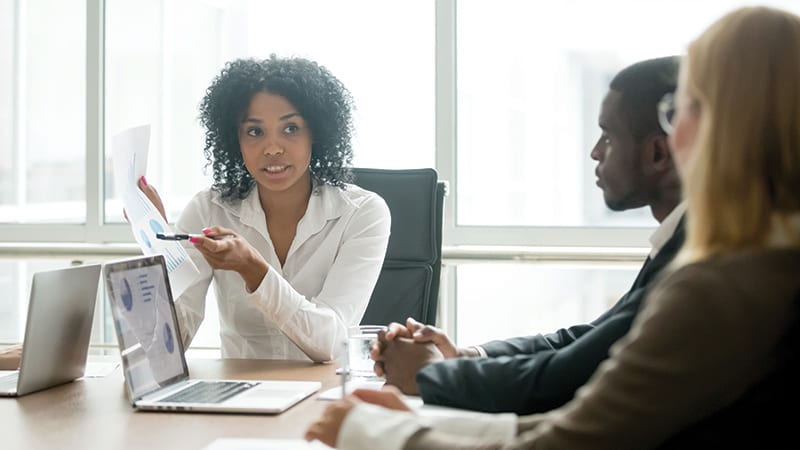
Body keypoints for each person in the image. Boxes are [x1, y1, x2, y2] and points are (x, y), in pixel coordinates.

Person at [305, 6, 800, 448]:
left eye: (680, 110)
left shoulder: (722, 284)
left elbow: (570, 438)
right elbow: (594, 385)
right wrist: (426, 418)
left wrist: (375, 431)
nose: (675, 133)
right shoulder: (761, 263)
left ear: (724, 125)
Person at [371, 56, 684, 415]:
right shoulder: (678, 239)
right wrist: (467, 356)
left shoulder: (693, 258)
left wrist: (434, 374)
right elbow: (589, 340)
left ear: (658, 152)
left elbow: (568, 377)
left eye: (609, 136)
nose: (595, 151)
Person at [139, 55, 391, 362]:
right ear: (236, 140)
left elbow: (330, 342)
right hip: (238, 397)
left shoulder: (362, 213)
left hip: (325, 397)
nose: (272, 148)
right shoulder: (209, 209)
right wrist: (160, 246)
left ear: (316, 132)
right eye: (255, 132)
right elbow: (167, 346)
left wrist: (254, 270)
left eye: (291, 129)